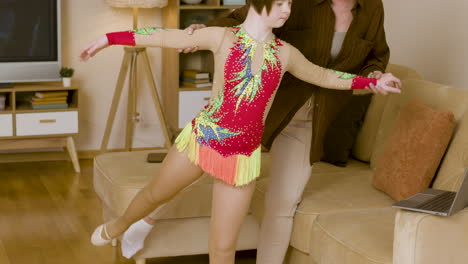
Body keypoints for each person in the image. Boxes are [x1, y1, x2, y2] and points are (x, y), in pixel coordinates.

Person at [80, 0, 400, 263]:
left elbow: (326, 76)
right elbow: (166, 36)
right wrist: (109, 38)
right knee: (154, 194)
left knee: (222, 249)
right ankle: (118, 226)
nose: (287, 9)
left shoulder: (285, 54)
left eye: (288, 2)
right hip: (203, 139)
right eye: (280, 3)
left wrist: (374, 81)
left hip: (243, 158)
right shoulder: (223, 37)